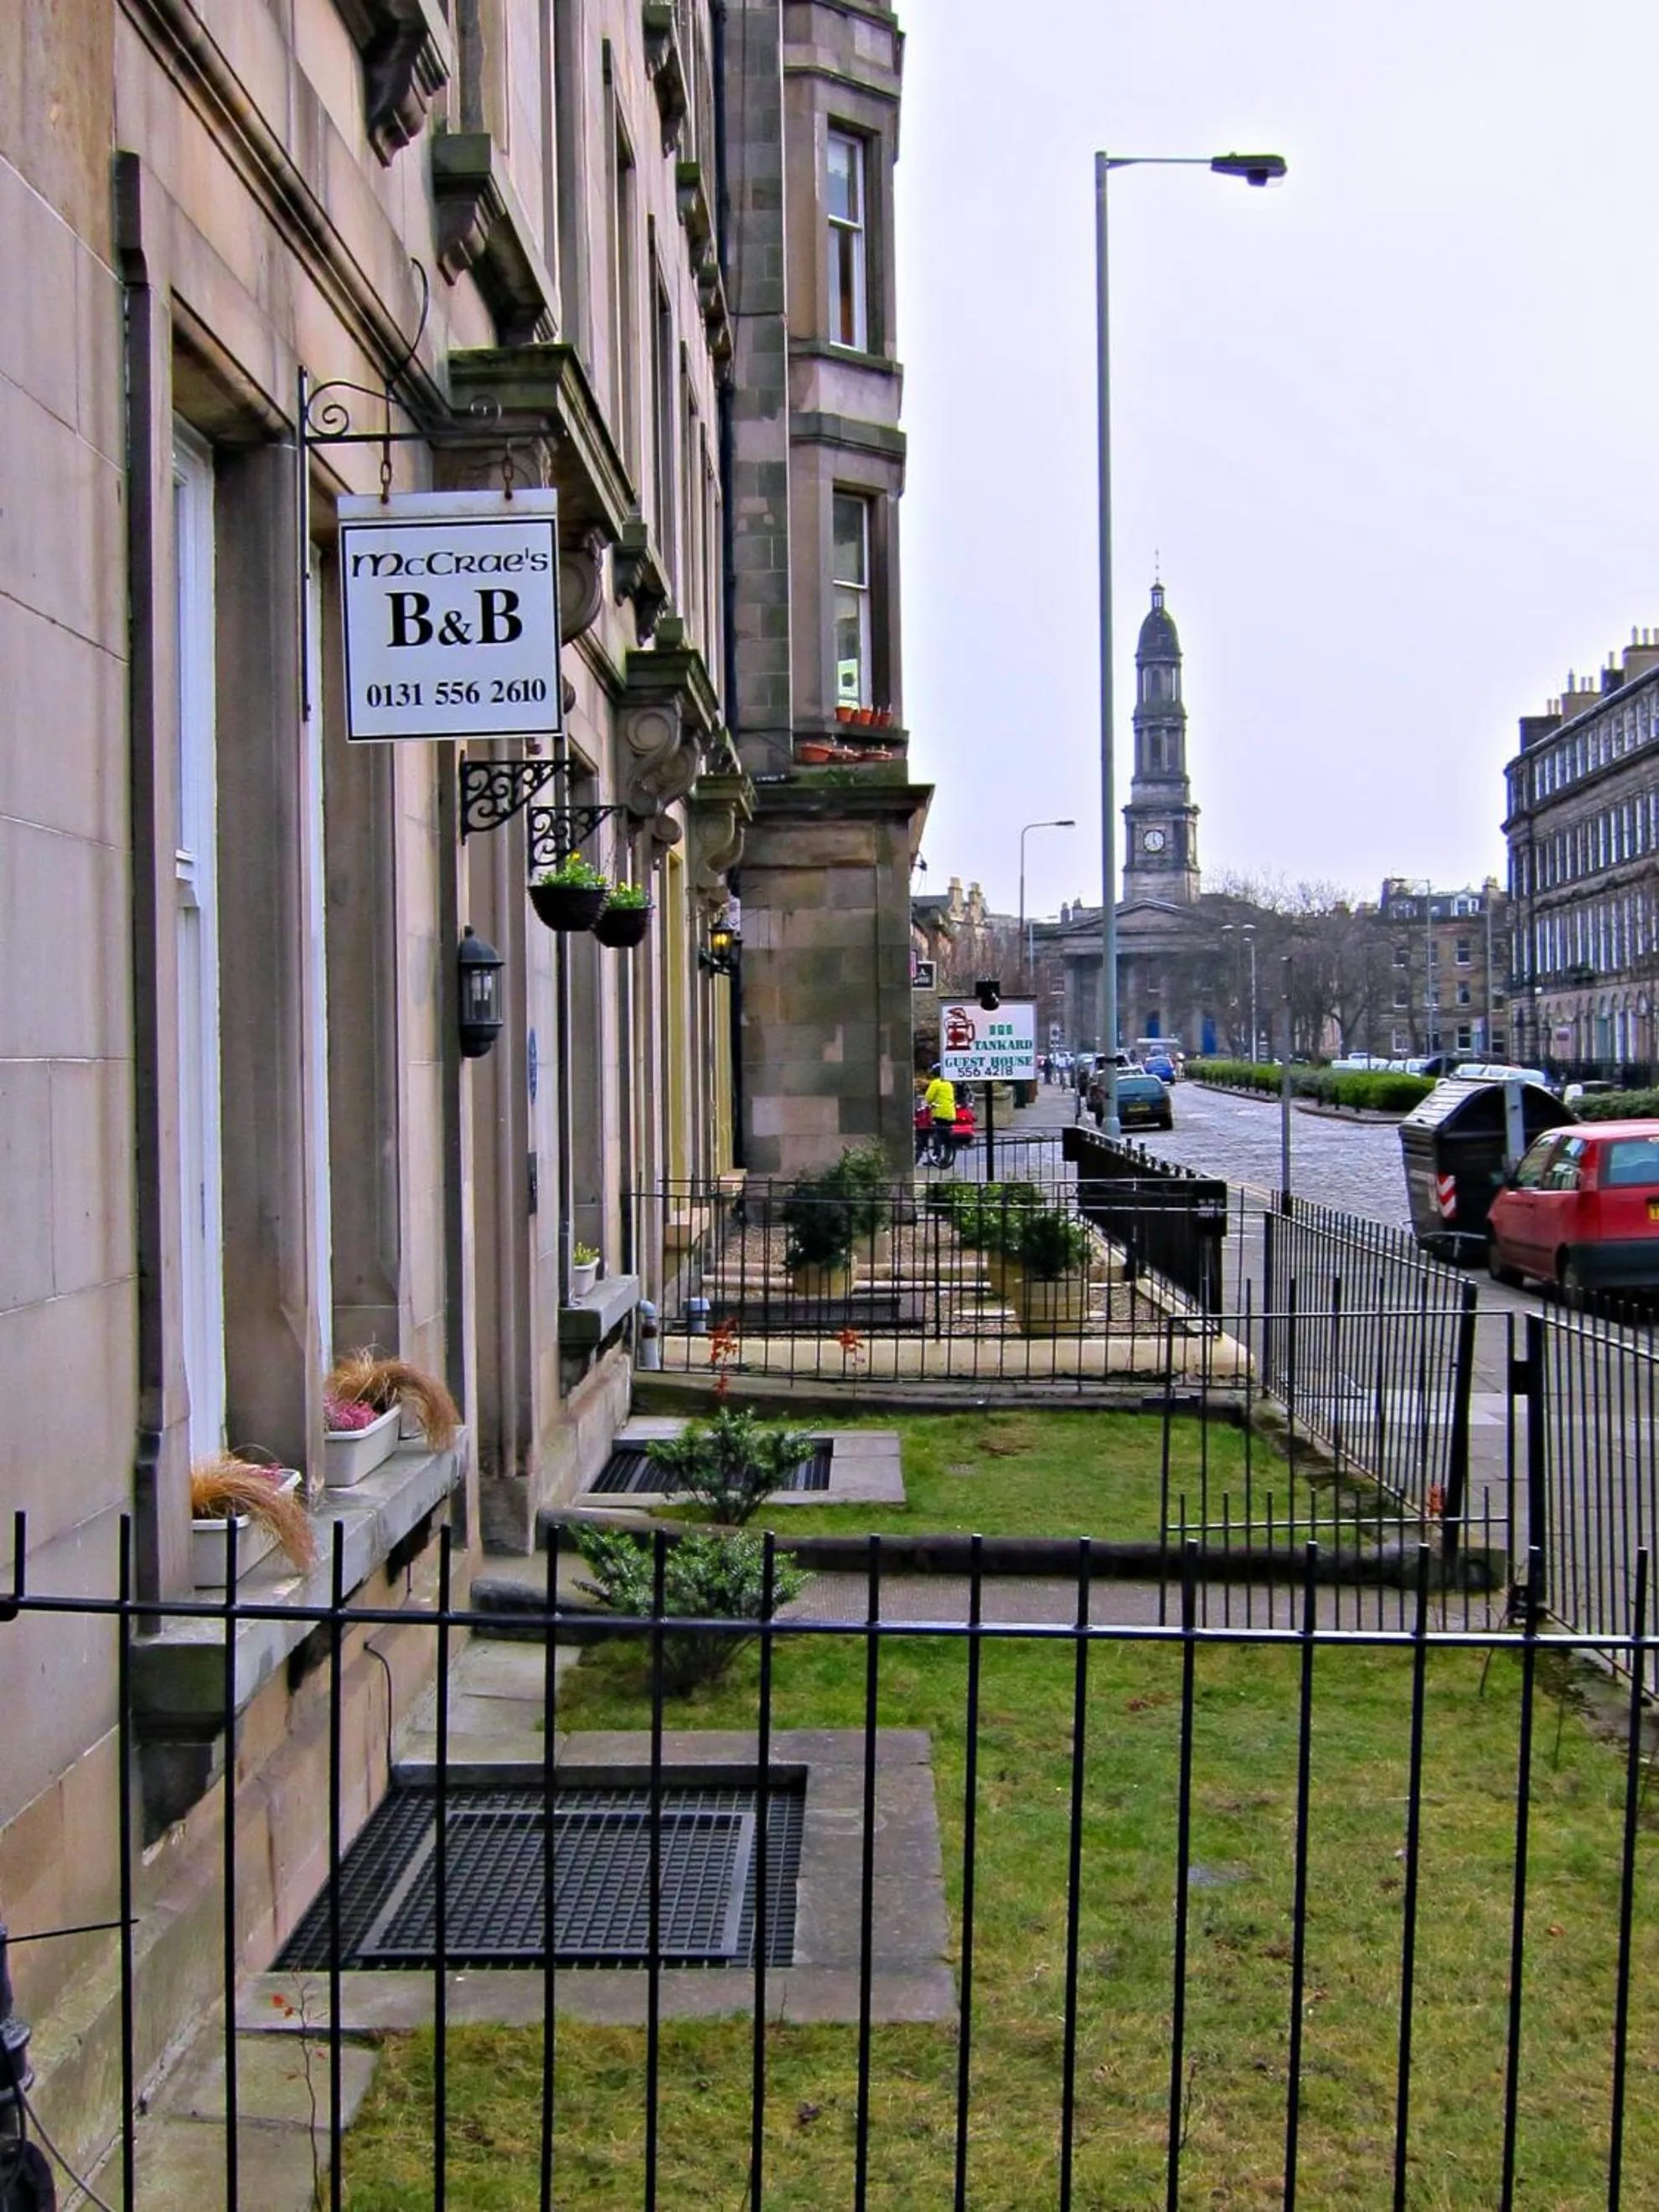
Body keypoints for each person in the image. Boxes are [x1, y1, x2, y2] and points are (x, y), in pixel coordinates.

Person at [923, 1064, 957, 1162]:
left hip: (940, 1113)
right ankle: (947, 1158)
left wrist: (929, 1104)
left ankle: (936, 1156)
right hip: (950, 1113)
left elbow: (928, 1097)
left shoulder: (936, 1083)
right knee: (947, 1137)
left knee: (937, 1136)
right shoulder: (948, 1083)